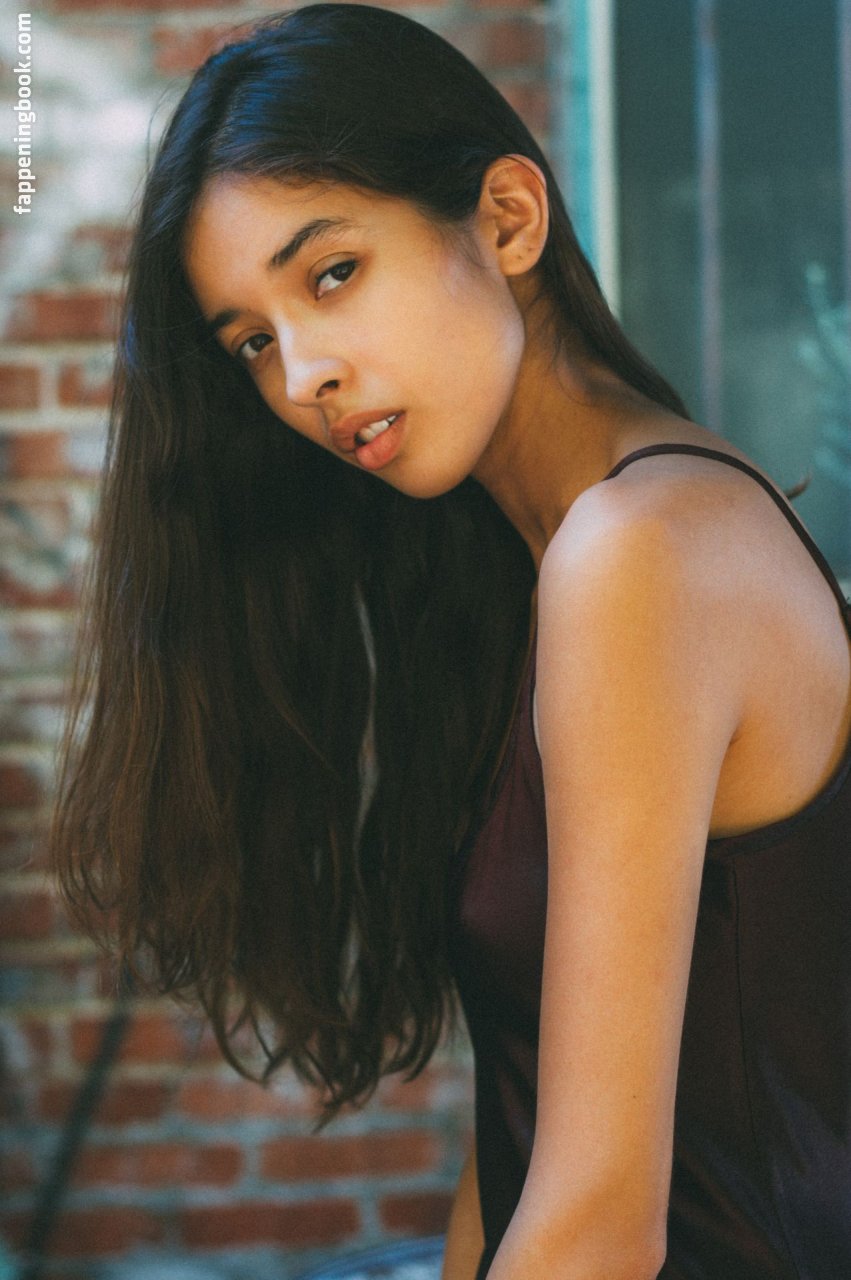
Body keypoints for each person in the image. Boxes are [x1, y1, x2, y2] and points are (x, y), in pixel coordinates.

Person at [50, 5, 851, 1278]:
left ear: (507, 219)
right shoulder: (536, 563)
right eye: (252, 341)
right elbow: (522, 1134)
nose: (300, 375)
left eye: (330, 273)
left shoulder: (637, 555)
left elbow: (597, 1224)